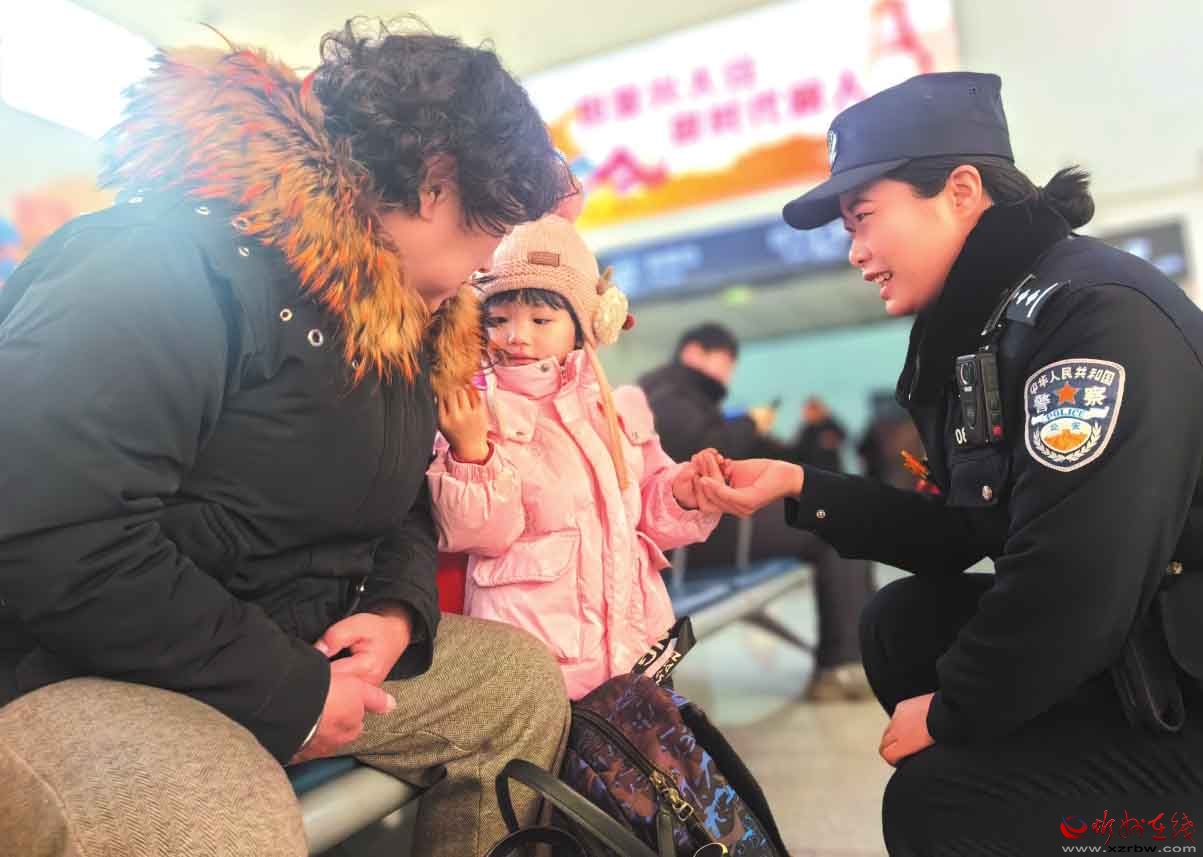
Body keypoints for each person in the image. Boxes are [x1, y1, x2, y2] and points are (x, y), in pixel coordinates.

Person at [0, 22, 573, 857]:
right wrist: (288, 690)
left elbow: (399, 498)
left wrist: (395, 609)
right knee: (205, 830)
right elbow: (54, 533)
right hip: (93, 666)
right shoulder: (155, 265)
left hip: (303, 640)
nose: (482, 270)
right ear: (435, 183)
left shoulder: (402, 313)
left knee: (511, 687)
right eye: (488, 236)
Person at [695, 72, 1203, 853]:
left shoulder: (1088, 316)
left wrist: (951, 710)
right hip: (1150, 643)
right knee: (901, 625)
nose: (854, 252)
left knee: (938, 802)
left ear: (961, 191)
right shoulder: (992, 327)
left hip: (1178, 672)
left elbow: (1078, 574)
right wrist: (799, 483)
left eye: (863, 218)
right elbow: (964, 528)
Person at [428, 200, 722, 700]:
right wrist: (471, 454)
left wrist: (683, 492)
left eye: (541, 320)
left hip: (638, 651)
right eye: (498, 319)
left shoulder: (618, 410)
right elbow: (479, 535)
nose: (516, 336)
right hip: (539, 669)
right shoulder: (474, 411)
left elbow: (648, 513)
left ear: (586, 326)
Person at [640, 325, 875, 701]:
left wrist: (787, 437)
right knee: (831, 528)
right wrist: (750, 422)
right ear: (695, 352)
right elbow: (699, 451)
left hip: (701, 531)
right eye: (727, 361)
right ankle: (842, 663)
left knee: (834, 518)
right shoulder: (665, 393)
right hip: (683, 540)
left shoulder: (683, 394)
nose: (729, 373)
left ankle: (854, 655)